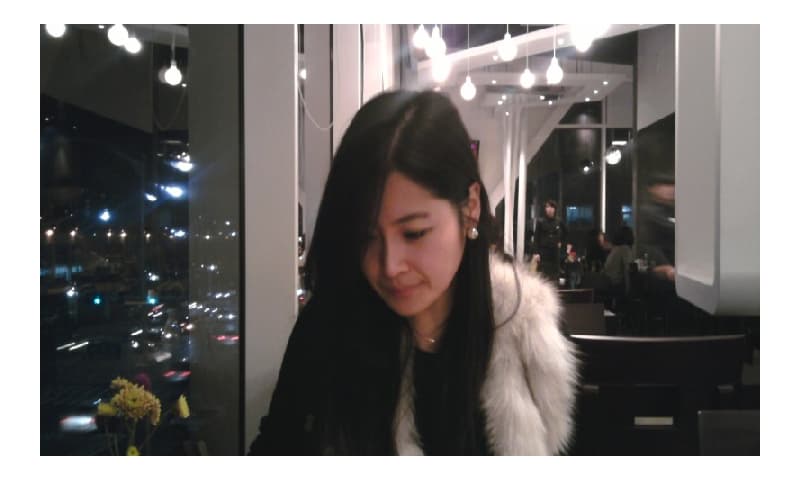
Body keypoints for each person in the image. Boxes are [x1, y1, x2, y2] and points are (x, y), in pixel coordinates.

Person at [248, 90, 577, 455]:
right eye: (367, 237)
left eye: (414, 233)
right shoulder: (328, 328)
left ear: (470, 207)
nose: (389, 266)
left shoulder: (528, 335)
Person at [532, 200, 567, 284]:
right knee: (543, 274)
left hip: (555, 251)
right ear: (545, 209)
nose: (549, 209)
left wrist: (561, 243)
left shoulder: (559, 221)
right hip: (543, 251)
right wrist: (536, 252)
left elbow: (566, 233)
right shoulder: (540, 222)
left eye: (551, 207)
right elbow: (536, 238)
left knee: (555, 274)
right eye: (547, 207)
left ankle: (555, 288)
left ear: (554, 209)